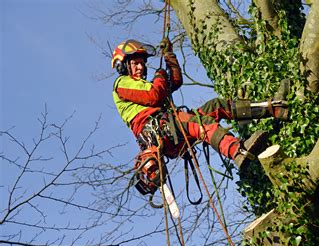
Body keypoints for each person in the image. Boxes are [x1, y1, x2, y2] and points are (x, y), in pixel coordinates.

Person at [111, 39, 288, 172]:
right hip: (160, 129)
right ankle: (237, 150)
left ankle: (272, 108)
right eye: (135, 63)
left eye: (142, 63)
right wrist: (159, 76)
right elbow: (155, 95)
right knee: (199, 123)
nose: (141, 67)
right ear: (123, 66)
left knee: (216, 106)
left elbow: (174, 82)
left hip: (171, 126)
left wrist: (169, 57)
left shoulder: (145, 84)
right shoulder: (122, 83)